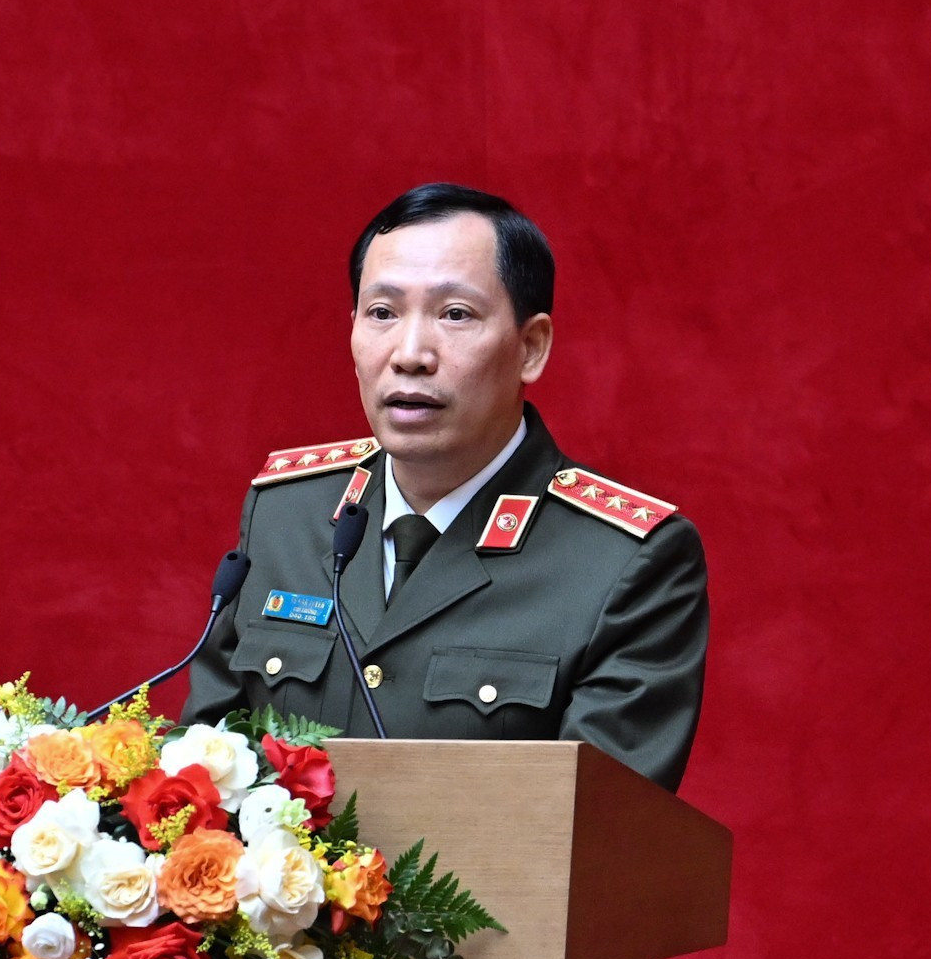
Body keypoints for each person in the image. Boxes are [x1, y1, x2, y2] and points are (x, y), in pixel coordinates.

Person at [181, 183, 707, 791]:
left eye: (455, 314)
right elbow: (204, 782)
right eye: (382, 313)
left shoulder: (623, 561)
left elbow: (597, 826)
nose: (409, 354)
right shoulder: (287, 512)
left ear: (531, 348)